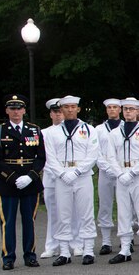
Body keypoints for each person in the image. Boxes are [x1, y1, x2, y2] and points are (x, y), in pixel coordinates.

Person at [0, 94, 46, 269]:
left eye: (19, 108)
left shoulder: (34, 130)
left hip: (30, 182)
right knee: (8, 221)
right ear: (7, 110)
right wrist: (13, 178)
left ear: (24, 110)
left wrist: (30, 176)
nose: (16, 112)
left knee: (30, 220)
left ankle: (30, 255)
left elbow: (41, 157)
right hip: (7, 183)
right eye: (12, 108)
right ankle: (8, 257)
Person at [43, 96, 100, 266]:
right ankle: (64, 252)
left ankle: (88, 250)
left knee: (86, 213)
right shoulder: (53, 132)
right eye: (66, 107)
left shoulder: (89, 129)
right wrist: (61, 173)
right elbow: (50, 156)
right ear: (61, 109)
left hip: (82, 176)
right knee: (63, 214)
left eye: (73, 106)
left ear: (78, 109)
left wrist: (77, 171)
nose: (69, 110)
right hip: (62, 176)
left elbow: (92, 154)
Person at [104, 98, 139, 263]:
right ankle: (125, 249)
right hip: (121, 175)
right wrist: (119, 174)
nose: (128, 112)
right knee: (123, 213)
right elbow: (110, 156)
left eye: (131, 109)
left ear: (137, 111)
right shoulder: (114, 133)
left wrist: (133, 173)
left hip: (138, 175)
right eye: (125, 109)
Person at [95, 98, 123, 255]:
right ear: (106, 110)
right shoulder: (98, 129)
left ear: (120, 110)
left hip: (122, 172)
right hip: (105, 173)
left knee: (126, 206)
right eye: (109, 107)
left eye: (115, 107)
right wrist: (107, 167)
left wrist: (118, 170)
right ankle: (106, 241)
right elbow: (96, 151)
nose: (112, 110)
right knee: (105, 206)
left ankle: (127, 240)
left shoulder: (127, 127)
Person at [40, 98, 66, 259]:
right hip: (50, 176)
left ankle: (73, 243)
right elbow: (44, 157)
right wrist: (56, 171)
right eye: (56, 112)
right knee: (53, 213)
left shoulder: (72, 130)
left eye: (60, 112)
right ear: (51, 114)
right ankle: (52, 245)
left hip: (68, 177)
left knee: (72, 212)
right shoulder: (44, 132)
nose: (59, 115)